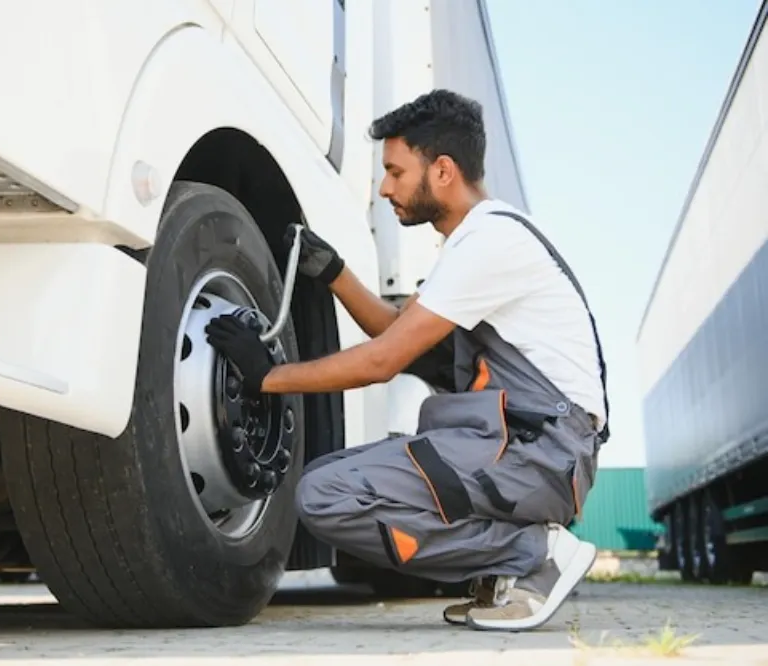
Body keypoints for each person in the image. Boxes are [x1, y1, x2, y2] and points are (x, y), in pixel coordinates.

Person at [204, 88, 609, 632]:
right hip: (529, 447)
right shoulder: (475, 243)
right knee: (328, 478)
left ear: (442, 170)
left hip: (539, 451)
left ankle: (534, 554)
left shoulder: (488, 242)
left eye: (396, 171)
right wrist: (334, 273)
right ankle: (505, 569)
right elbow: (397, 330)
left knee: (325, 496)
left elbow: (383, 360)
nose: (385, 186)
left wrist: (267, 376)